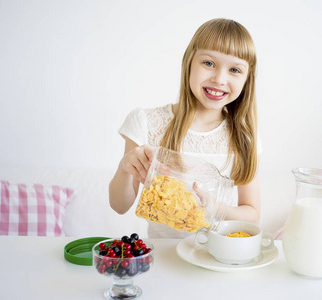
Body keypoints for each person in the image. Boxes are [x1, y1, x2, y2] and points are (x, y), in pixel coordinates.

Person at [109, 18, 261, 238]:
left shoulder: (244, 136)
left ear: (247, 80)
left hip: (217, 259)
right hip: (162, 261)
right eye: (208, 63)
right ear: (189, 62)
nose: (219, 79)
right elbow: (119, 205)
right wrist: (125, 167)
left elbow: (253, 214)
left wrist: (216, 208)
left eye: (235, 70)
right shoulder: (146, 122)